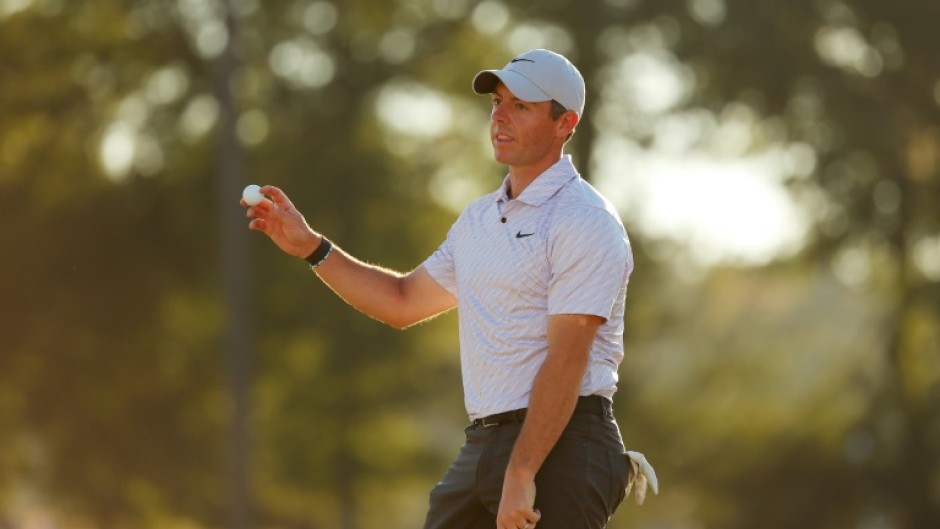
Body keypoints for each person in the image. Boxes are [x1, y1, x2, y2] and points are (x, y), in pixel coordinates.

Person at [242, 49, 651, 529]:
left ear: (567, 123)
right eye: (497, 102)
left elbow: (567, 358)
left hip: (562, 445)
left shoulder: (585, 221)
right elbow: (402, 301)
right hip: (484, 443)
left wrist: (522, 470)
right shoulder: (478, 219)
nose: (500, 117)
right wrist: (313, 247)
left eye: (522, 106)